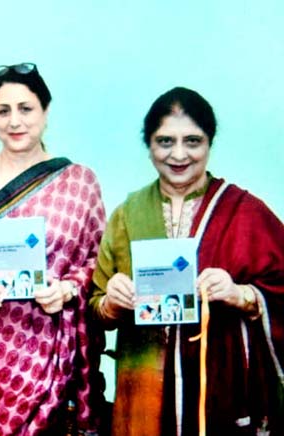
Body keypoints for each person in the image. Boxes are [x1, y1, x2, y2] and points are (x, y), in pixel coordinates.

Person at [88, 87, 284, 435]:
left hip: (221, 391)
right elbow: (95, 309)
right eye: (165, 141)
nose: (179, 154)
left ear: (209, 142)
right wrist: (111, 303)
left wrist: (242, 295)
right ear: (149, 144)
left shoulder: (245, 212)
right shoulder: (126, 215)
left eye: (193, 141)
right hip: (144, 389)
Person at [0, 62, 106, 435]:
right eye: (3, 111)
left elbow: (98, 263)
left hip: (53, 346)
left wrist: (67, 289)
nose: (15, 121)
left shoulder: (79, 182)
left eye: (25, 109)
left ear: (45, 110)